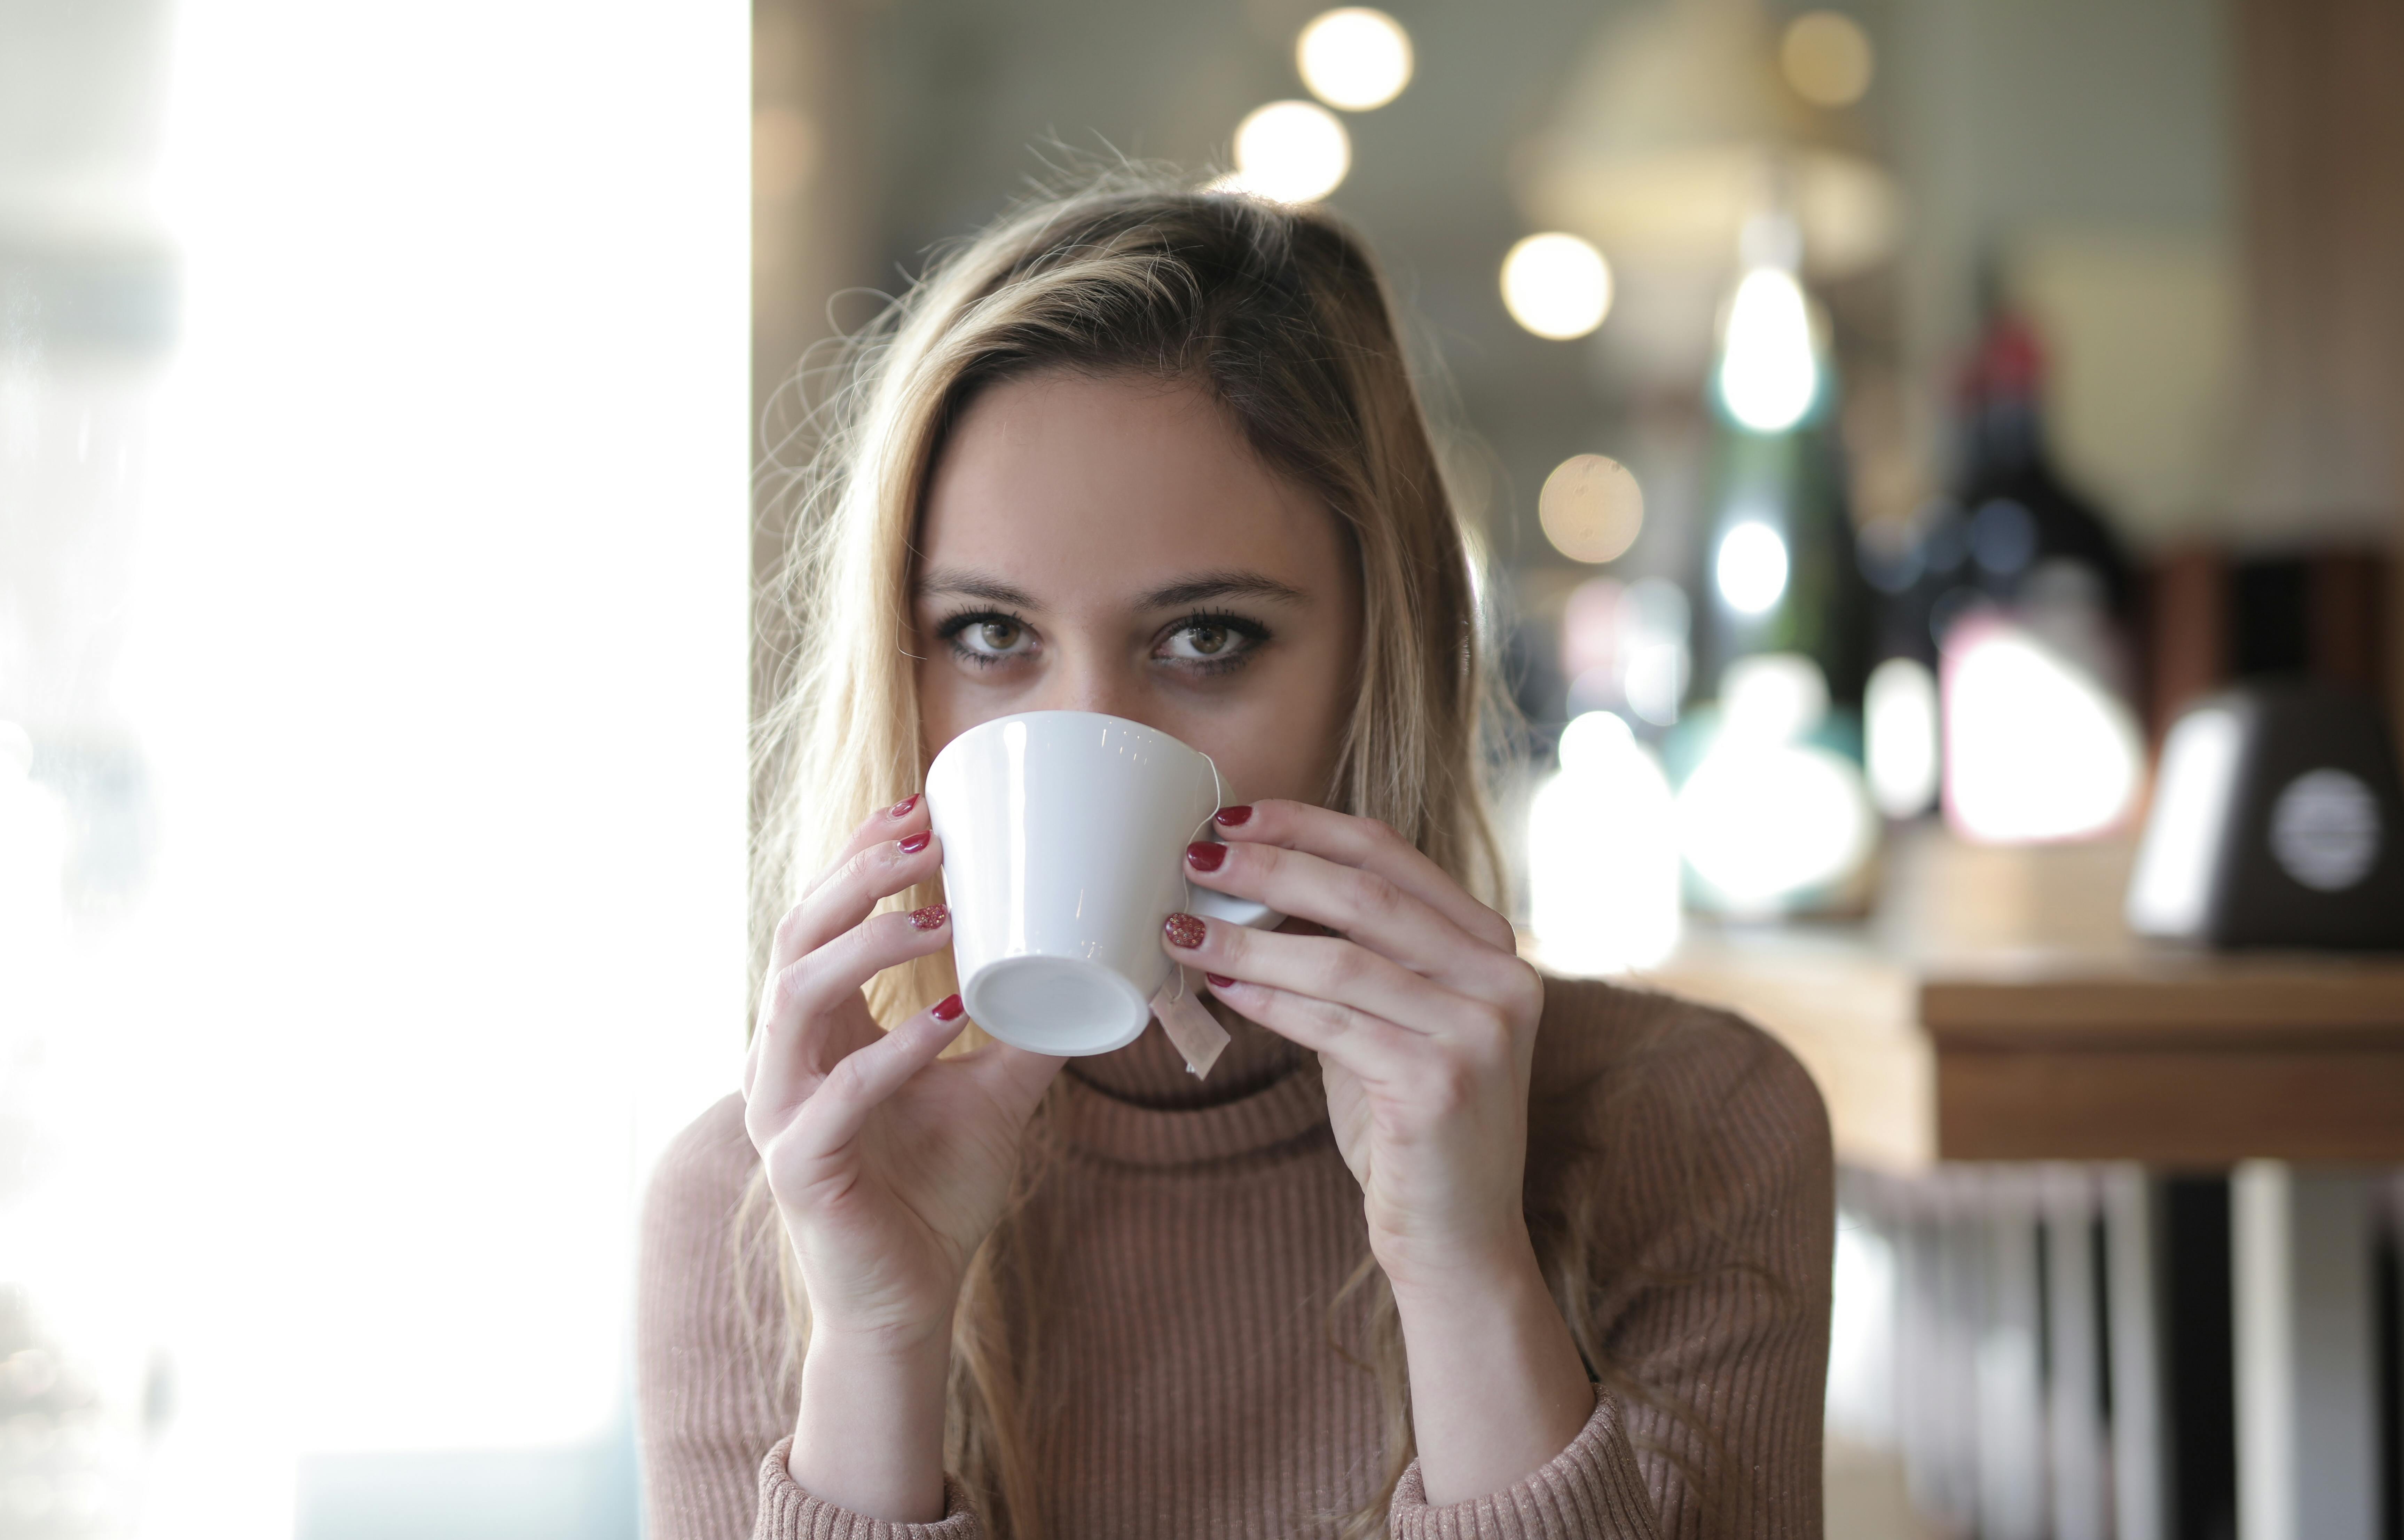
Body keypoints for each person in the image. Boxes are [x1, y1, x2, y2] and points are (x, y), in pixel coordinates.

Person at [638, 171, 1832, 1540]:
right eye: (986, 634)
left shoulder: (1683, 1129)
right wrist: (878, 1339)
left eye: (1204, 638)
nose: (1086, 730)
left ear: (1380, 656)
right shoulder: (757, 1209)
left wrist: (1462, 1267)